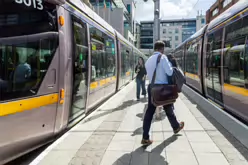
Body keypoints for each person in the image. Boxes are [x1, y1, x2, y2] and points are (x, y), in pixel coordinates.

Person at [141, 41, 184, 145]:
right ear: (162, 49)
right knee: (168, 107)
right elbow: (169, 72)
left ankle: (145, 137)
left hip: (152, 88)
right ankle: (176, 127)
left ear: (154, 48)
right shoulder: (162, 57)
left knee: (150, 112)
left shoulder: (148, 60)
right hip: (162, 89)